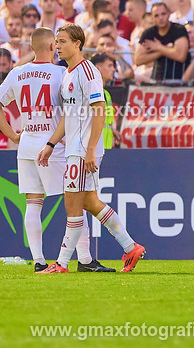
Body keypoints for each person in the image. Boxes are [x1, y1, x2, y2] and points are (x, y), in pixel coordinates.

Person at [0, 28, 112, 272]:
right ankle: (84, 259)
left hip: (28, 142)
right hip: (55, 144)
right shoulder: (62, 72)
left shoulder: (17, 73)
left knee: (33, 203)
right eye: (57, 43)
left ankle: (39, 262)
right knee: (76, 200)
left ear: (31, 47)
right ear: (52, 46)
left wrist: (12, 135)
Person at [37, 24, 146, 273]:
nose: (57, 46)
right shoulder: (67, 74)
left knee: (72, 206)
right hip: (74, 148)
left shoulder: (88, 72)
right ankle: (131, 247)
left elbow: (99, 111)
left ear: (77, 44)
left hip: (83, 149)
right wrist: (51, 144)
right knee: (89, 202)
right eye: (56, 41)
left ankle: (61, 264)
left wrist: (90, 149)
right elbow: (68, 115)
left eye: (62, 41)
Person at [134, 2, 190, 81]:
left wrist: (158, 47)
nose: (160, 18)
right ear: (152, 18)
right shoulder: (149, 33)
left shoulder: (179, 30)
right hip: (157, 79)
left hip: (179, 80)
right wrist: (162, 51)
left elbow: (180, 56)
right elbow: (138, 60)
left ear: (169, 14)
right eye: (156, 16)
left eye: (163, 14)